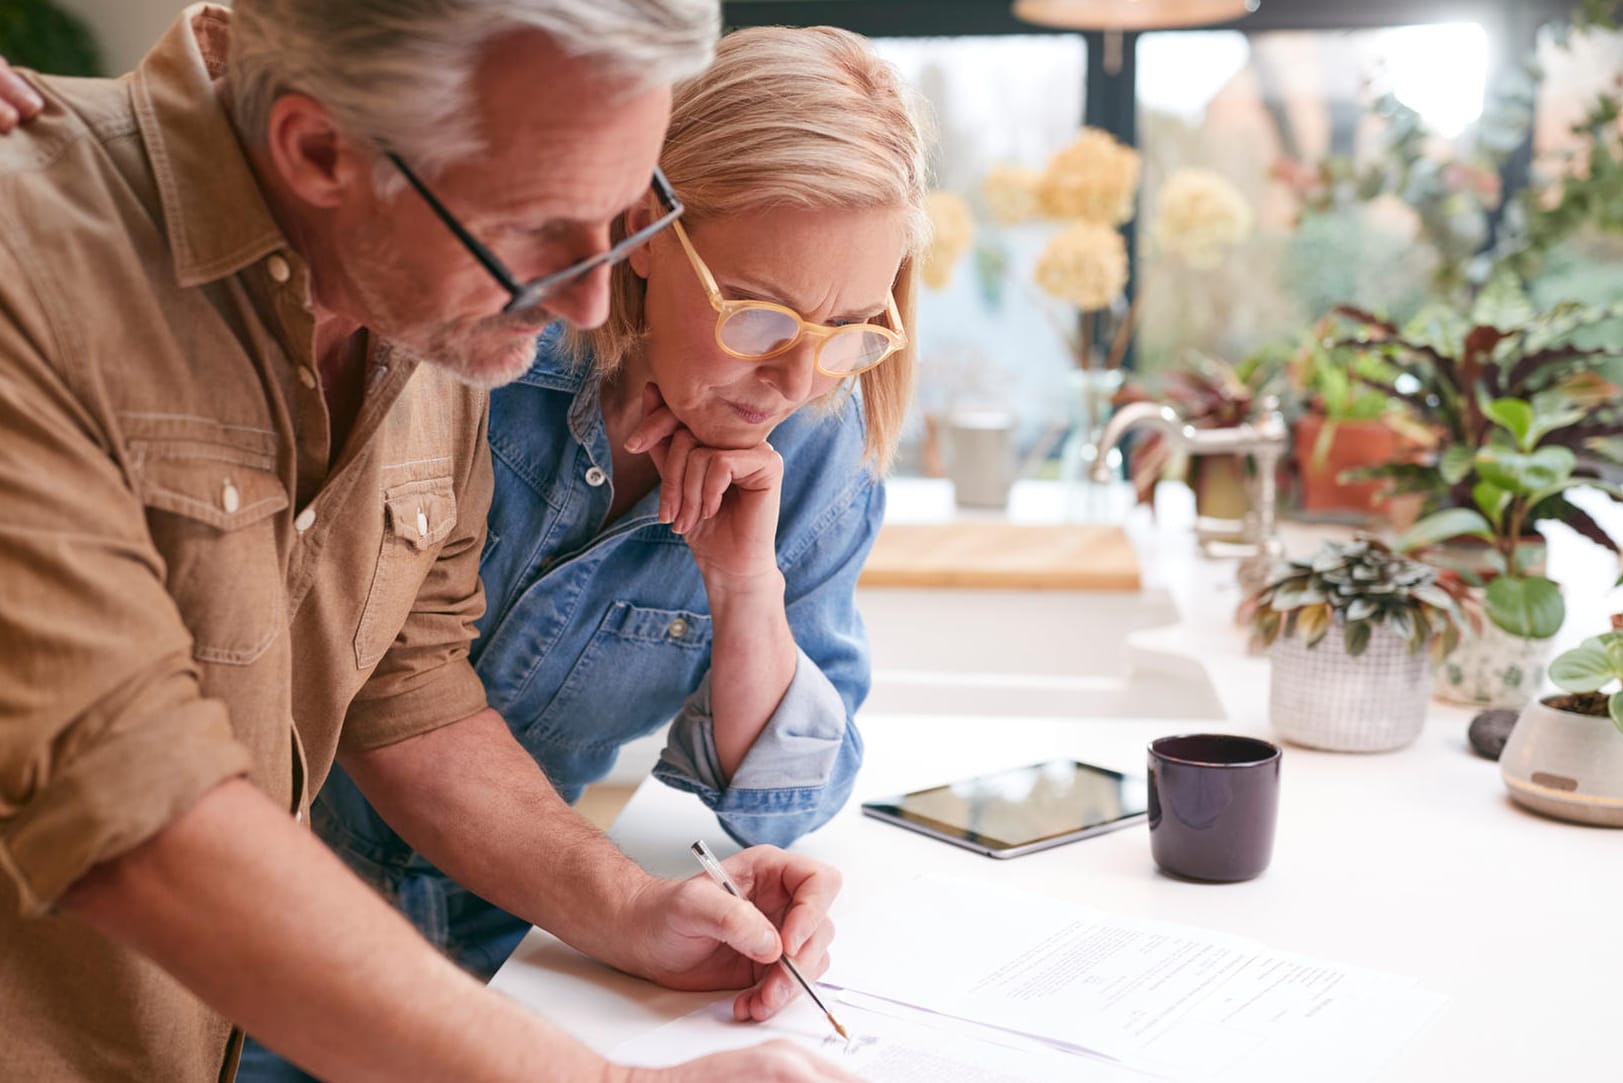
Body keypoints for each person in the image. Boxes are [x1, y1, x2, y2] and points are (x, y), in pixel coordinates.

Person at [0, 4, 859, 1082]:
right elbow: (129, 808)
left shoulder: (421, 306)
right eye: (537, 228)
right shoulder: (23, 256)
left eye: (624, 220)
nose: (592, 300)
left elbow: (410, 691)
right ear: (318, 151)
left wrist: (628, 908)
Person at [232, 23, 931, 1081]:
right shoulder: (475, 343)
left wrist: (744, 585)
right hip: (270, 914)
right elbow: (382, 684)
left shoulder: (819, 446)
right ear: (647, 226)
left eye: (848, 331)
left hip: (531, 947)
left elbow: (782, 803)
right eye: (756, 316)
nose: (795, 380)